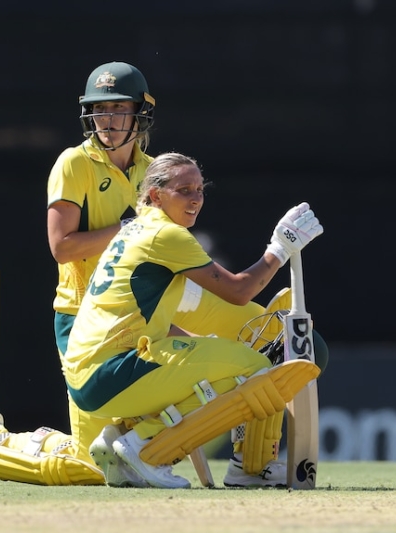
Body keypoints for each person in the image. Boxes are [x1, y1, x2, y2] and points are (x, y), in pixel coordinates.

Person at [0, 62, 327, 488]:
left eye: (118, 109)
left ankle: (251, 463)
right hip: (87, 314)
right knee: (94, 466)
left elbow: (190, 256)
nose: (107, 120)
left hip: (157, 298)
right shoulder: (74, 163)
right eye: (100, 110)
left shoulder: (153, 169)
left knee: (272, 343)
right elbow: (61, 246)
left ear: (140, 115)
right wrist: (128, 229)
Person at [65, 152, 324, 488]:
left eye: (200, 190)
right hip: (113, 371)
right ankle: (143, 445)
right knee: (259, 367)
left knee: (229, 364)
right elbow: (239, 291)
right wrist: (279, 248)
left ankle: (123, 437)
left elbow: (146, 318)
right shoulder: (166, 235)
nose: (195, 199)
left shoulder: (136, 229)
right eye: (184, 190)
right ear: (156, 195)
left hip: (94, 374)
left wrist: (198, 346)